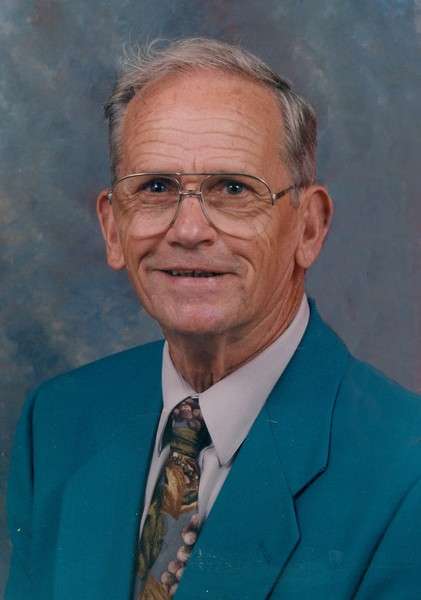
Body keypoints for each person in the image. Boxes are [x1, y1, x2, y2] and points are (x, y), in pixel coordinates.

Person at [6, 37, 421, 600]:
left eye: (233, 188)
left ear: (308, 227)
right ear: (112, 227)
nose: (189, 230)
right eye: (156, 187)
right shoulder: (59, 421)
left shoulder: (405, 471)